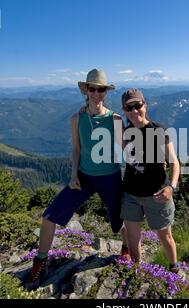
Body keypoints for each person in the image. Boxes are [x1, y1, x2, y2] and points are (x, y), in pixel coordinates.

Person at [26, 69, 128, 288]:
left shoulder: (116, 119)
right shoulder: (77, 119)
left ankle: (126, 250)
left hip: (110, 176)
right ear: (86, 91)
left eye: (101, 89)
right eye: (92, 89)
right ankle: (40, 260)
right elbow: (76, 149)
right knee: (49, 216)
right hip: (84, 177)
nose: (96, 93)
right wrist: (73, 176)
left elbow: (125, 149)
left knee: (120, 221)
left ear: (106, 93)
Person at [120, 89, 182, 274]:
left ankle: (174, 269)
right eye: (129, 107)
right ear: (124, 110)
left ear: (145, 106)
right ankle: (136, 271)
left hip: (158, 194)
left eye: (138, 105)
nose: (134, 110)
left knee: (165, 237)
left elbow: (174, 162)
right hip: (131, 194)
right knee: (133, 238)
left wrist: (171, 187)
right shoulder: (125, 132)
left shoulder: (158, 130)